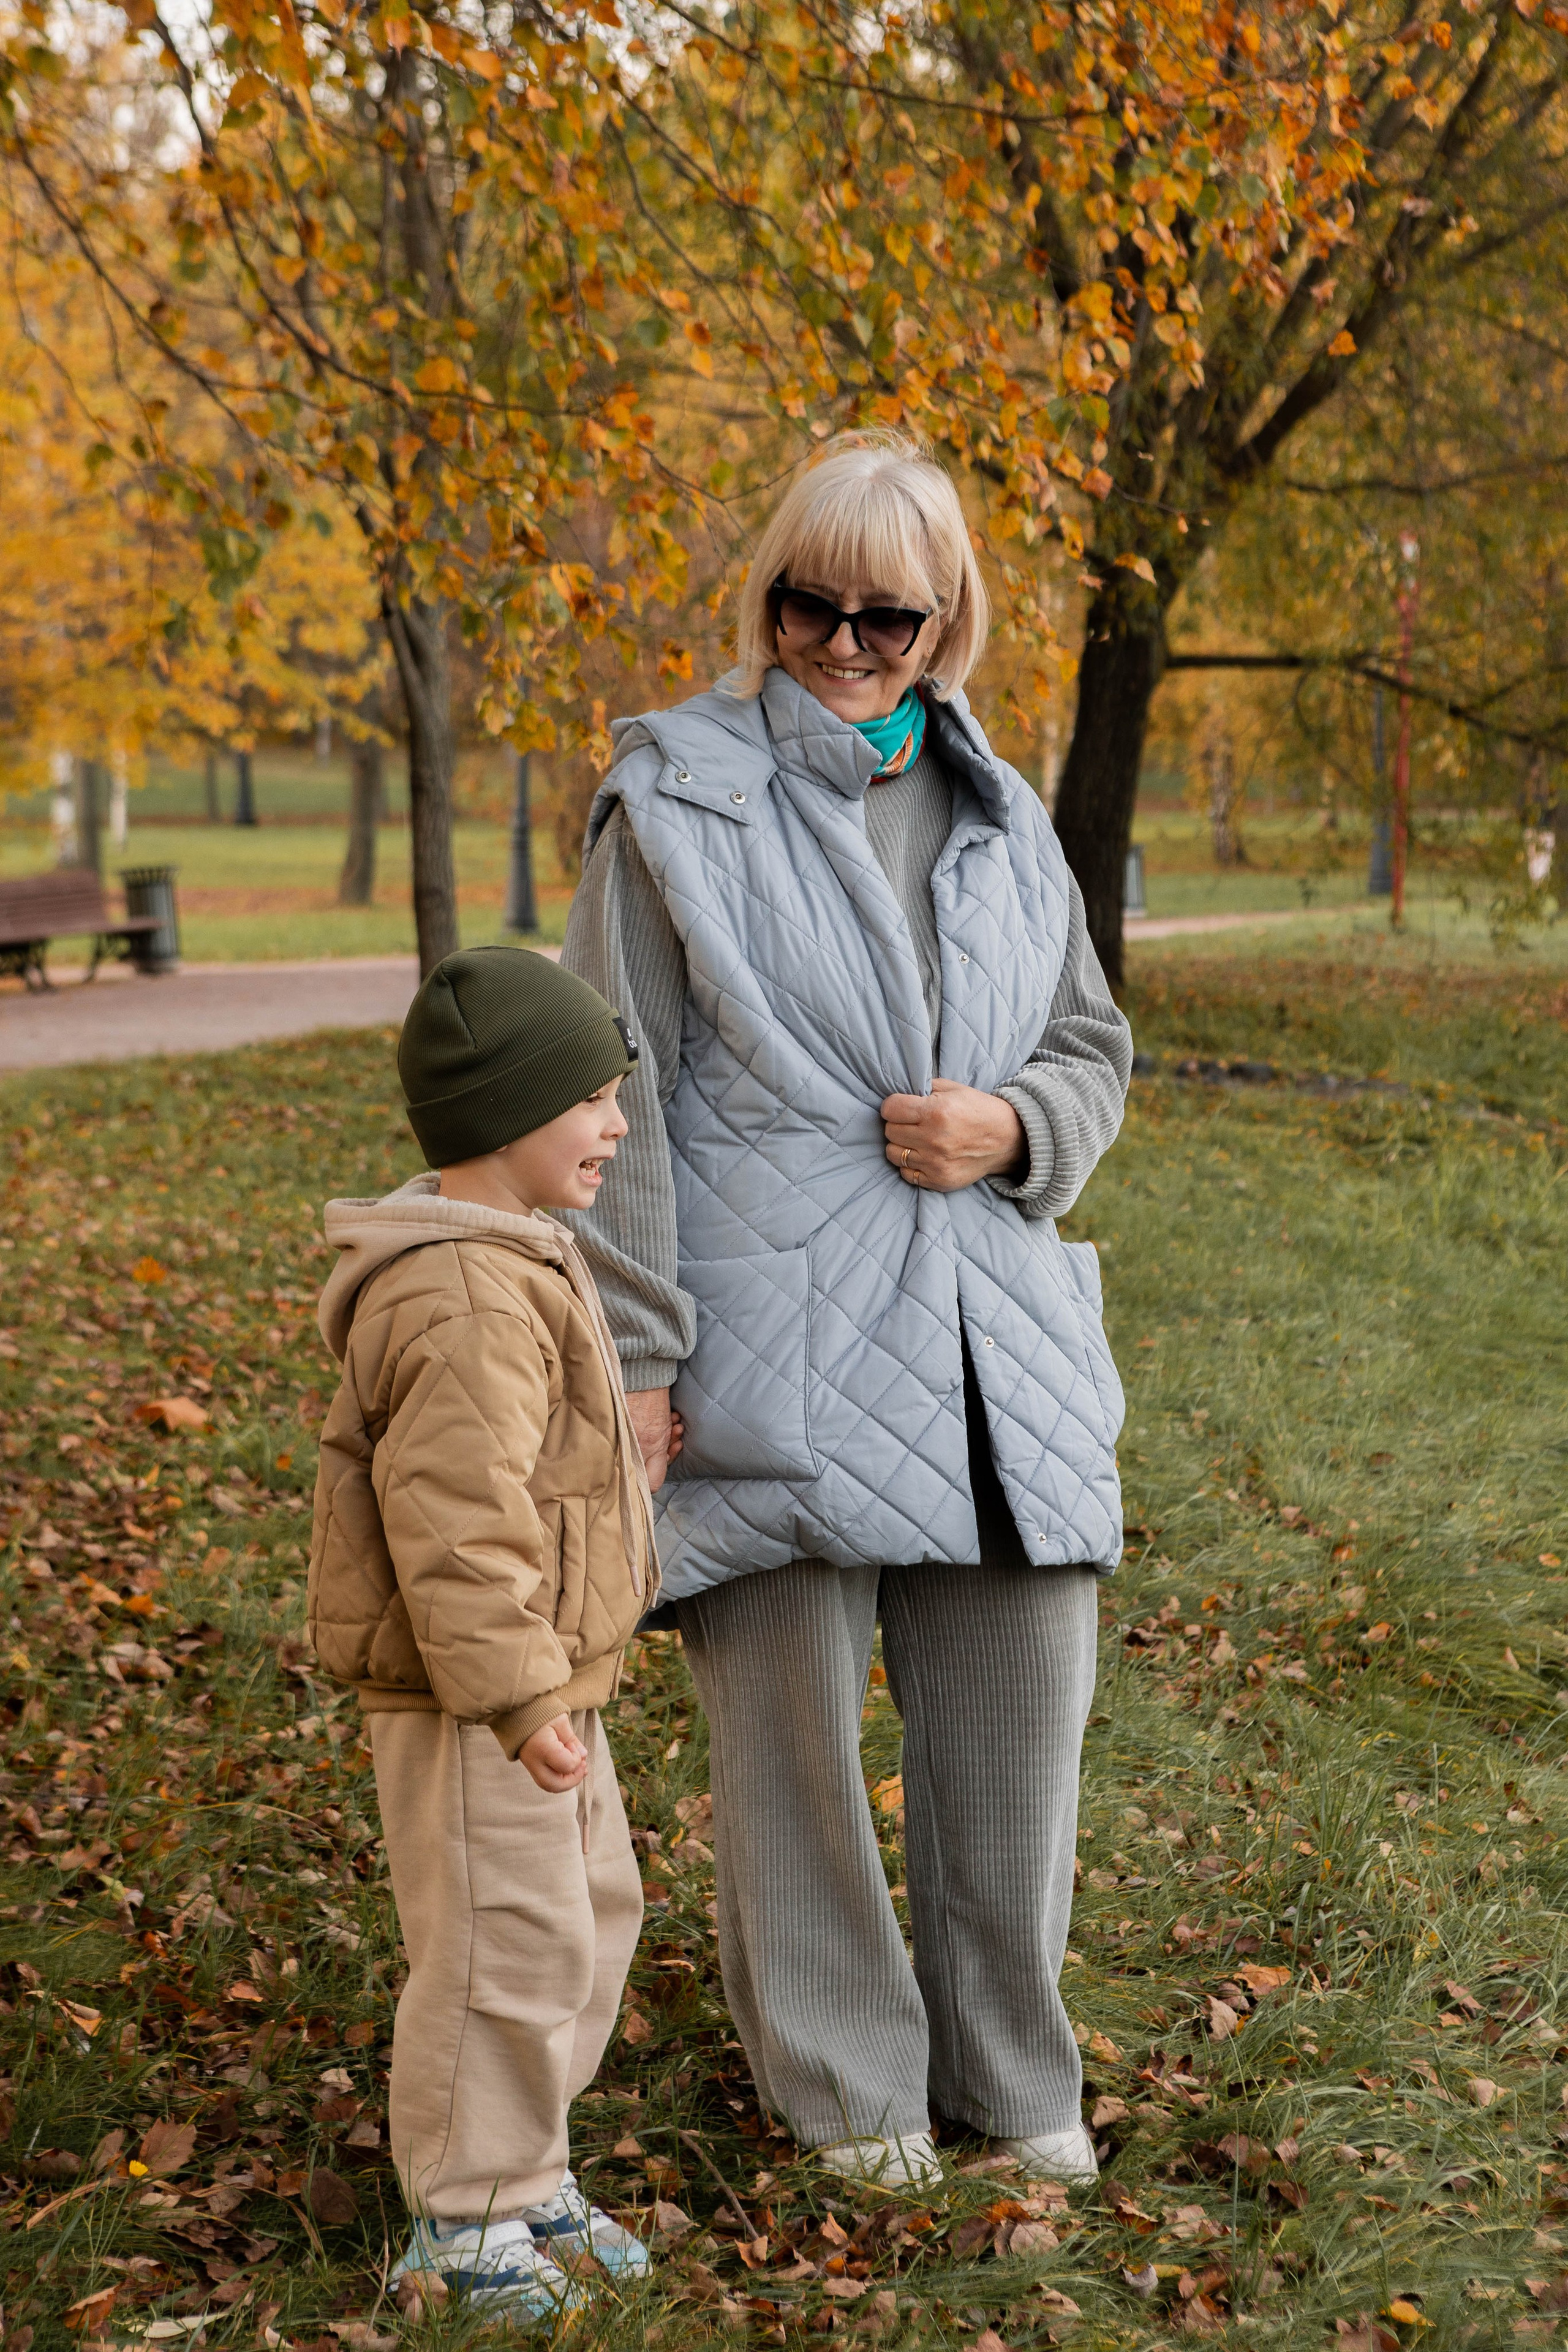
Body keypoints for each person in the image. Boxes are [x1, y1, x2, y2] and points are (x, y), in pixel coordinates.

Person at [560, 431, 1134, 2192]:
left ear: (946, 622)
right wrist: (640, 1368)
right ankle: (853, 2097)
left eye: (891, 618)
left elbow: (1092, 1048)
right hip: (767, 1342)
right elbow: (613, 1091)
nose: (846, 647)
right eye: (816, 604)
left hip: (991, 1342)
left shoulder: (1008, 813)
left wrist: (1017, 1125)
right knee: (795, 1758)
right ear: (773, 593)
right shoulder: (673, 795)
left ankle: (1013, 2081)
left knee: (1018, 1732)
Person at [307, 947, 665, 2313]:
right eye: (589, 1099)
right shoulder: (457, 1295)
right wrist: (520, 1702)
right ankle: (463, 2223)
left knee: (585, 1924)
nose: (614, 1125)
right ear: (507, 1114)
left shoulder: (513, 1259)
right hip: (480, 1702)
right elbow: (456, 1528)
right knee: (501, 1948)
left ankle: (527, 2171)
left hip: (540, 1683)